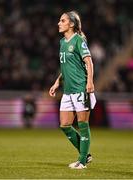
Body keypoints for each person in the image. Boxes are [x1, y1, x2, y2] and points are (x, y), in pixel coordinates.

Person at [49, 11, 96, 169]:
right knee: (65, 125)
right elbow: (67, 67)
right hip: (68, 90)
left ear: (71, 24)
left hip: (81, 88)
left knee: (83, 124)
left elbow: (88, 62)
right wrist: (57, 82)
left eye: (62, 20)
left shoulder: (79, 40)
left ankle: (82, 161)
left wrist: (89, 82)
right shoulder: (63, 41)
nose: (59, 23)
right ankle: (86, 154)